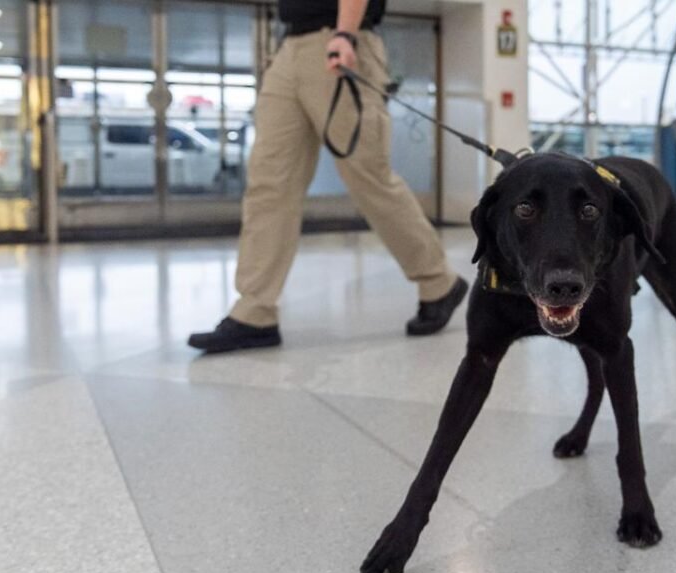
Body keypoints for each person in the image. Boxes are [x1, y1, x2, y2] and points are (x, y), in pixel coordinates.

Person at [189, 0, 468, 353]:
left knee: (368, 177)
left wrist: (345, 33)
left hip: (340, 39)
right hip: (290, 46)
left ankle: (437, 280)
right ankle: (254, 310)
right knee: (269, 182)